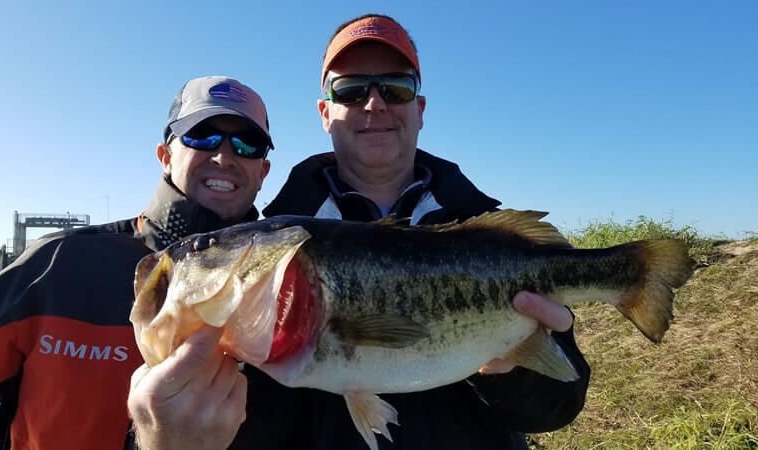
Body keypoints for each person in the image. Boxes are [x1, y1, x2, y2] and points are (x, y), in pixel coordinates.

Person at [129, 14, 591, 450]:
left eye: (395, 88)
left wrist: (514, 369)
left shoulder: (494, 242)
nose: (374, 104)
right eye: (350, 91)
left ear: (420, 108)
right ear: (325, 112)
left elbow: (558, 406)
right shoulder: (265, 256)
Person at [0, 75, 273, 449]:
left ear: (263, 173)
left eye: (247, 144)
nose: (224, 156)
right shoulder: (55, 267)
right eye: (201, 136)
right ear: (166, 156)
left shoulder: (286, 284)